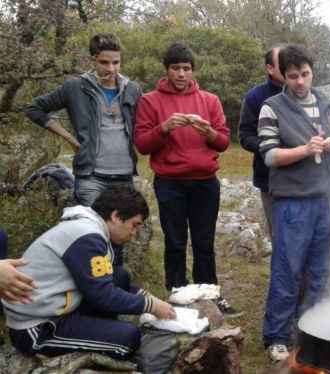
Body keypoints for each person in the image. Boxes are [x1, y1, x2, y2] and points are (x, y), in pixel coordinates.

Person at [1, 185, 177, 359]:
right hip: (37, 327)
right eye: (134, 225)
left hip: (59, 308)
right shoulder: (87, 237)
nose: (133, 232)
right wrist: (151, 306)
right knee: (128, 338)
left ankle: (99, 330)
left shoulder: (89, 228)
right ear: (116, 216)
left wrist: (151, 299)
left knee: (119, 276)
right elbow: (103, 295)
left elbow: (104, 284)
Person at [133, 42, 242, 318]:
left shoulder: (210, 100)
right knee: (175, 241)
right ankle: (178, 296)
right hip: (169, 181)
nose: (181, 74)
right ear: (165, 69)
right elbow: (143, 145)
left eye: (186, 68)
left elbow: (224, 142)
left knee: (204, 243)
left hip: (206, 181)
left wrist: (209, 133)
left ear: (193, 70)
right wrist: (165, 128)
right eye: (175, 68)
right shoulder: (150, 101)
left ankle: (210, 296)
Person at [258, 44, 330, 362]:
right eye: (293, 76)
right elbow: (270, 156)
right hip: (292, 202)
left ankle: (308, 332)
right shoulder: (272, 107)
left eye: (306, 74)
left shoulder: (327, 103)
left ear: (313, 72)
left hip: (325, 199)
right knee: (288, 271)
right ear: (283, 75)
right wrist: (304, 149)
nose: (300, 82)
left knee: (319, 271)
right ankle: (276, 338)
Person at [24, 32, 142, 267]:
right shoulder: (75, 87)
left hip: (124, 175)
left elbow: (144, 124)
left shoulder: (133, 89)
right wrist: (68, 136)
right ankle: (91, 289)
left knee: (118, 238)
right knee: (92, 235)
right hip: (90, 175)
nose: (111, 68)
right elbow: (35, 109)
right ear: (93, 60)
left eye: (116, 62)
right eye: (104, 62)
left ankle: (114, 292)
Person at [238, 46, 285, 241]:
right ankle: (281, 273)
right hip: (270, 180)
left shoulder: (306, 94)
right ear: (269, 68)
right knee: (280, 238)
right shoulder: (254, 97)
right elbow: (245, 135)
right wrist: (270, 149)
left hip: (305, 179)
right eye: (282, 64)